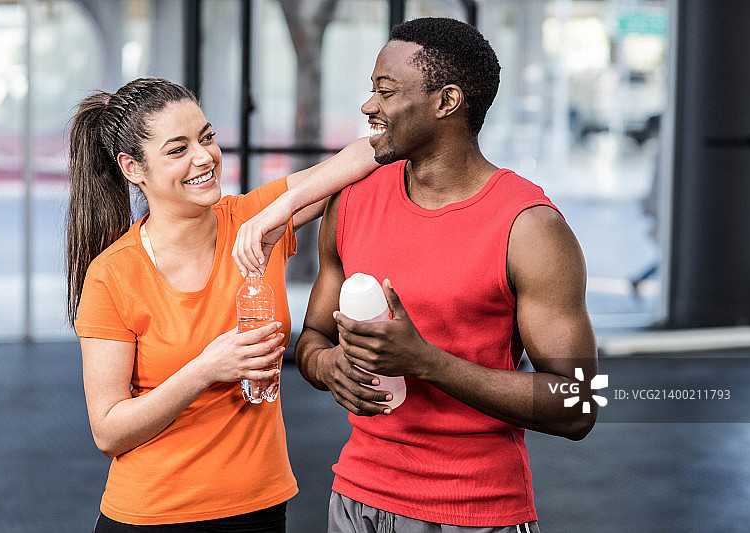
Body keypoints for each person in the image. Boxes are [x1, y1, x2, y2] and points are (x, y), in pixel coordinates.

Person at [292, 18, 599, 532]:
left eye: (385, 92)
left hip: (474, 512)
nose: (370, 106)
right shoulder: (350, 200)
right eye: (372, 90)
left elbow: (579, 404)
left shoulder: (529, 228)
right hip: (354, 500)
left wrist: (427, 362)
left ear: (447, 100)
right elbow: (315, 337)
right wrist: (327, 367)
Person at [65, 77, 378, 532]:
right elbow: (109, 430)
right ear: (133, 168)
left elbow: (370, 152)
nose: (203, 157)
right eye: (177, 149)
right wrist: (208, 368)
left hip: (258, 508)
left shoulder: (254, 223)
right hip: (151, 515)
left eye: (206, 137)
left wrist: (283, 206)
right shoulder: (114, 274)